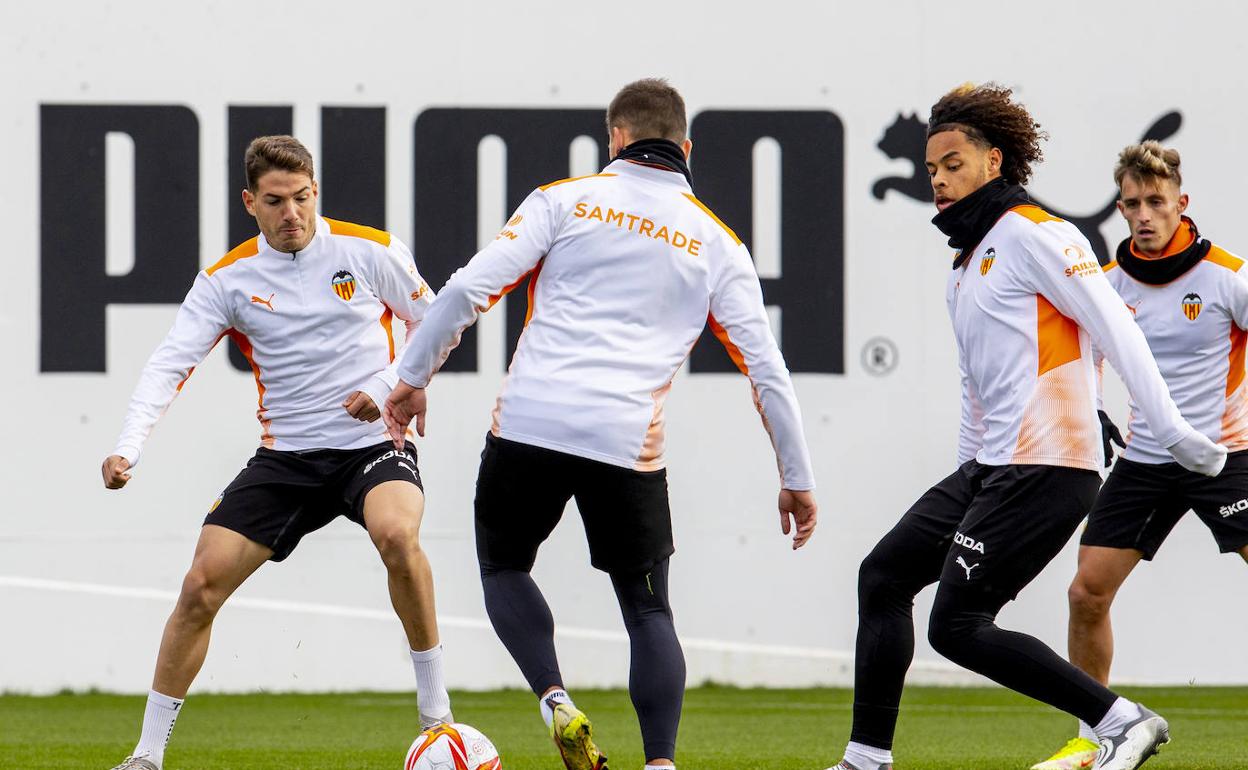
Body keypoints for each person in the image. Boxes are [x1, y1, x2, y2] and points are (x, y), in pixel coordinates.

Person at [383, 78, 818, 770]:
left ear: (614, 137)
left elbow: (469, 289)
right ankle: (660, 763)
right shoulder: (718, 242)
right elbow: (767, 371)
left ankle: (555, 698)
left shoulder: (565, 199)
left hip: (531, 423)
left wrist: (409, 379)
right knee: (648, 612)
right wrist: (795, 477)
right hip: (626, 442)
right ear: (686, 146)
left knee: (502, 565)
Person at [829, 85, 1227, 770]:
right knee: (883, 576)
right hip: (991, 468)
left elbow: (1115, 328)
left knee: (955, 625)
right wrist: (966, 472)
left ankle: (1122, 719)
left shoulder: (1037, 232)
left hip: (1049, 468)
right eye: (931, 170)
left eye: (954, 163)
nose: (940, 180)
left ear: (994, 161)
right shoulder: (964, 260)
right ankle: (866, 760)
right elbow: (977, 387)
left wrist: (1172, 430)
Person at [103, 136, 450, 770]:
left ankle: (438, 722)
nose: (292, 213)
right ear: (250, 203)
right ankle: (146, 756)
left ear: (315, 191)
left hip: (369, 445)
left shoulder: (370, 251)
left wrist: (395, 385)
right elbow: (167, 365)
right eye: (275, 202)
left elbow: (438, 320)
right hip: (286, 457)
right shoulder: (227, 279)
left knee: (398, 535)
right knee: (200, 587)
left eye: (302, 197)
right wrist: (129, 447)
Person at [1032, 142, 1248, 770]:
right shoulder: (1107, 285)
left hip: (1225, 456)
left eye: (1157, 201)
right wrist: (1092, 410)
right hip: (1145, 461)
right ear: (1121, 210)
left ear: (1183, 202)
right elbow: (1087, 360)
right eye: (1133, 204)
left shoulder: (1227, 277)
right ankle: (1098, 736)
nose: (1145, 214)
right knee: (1085, 595)